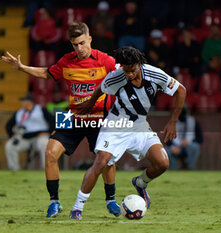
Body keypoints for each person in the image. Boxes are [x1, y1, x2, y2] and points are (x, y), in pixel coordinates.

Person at [1, 22, 121, 218]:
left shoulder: (106, 61)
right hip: (71, 115)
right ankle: (54, 202)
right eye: (75, 44)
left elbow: (124, 77)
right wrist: (22, 68)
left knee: (106, 160)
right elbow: (48, 74)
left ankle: (111, 200)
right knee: (49, 153)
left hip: (100, 116)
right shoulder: (67, 61)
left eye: (82, 43)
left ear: (90, 39)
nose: (79, 48)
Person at [69, 46, 186, 219]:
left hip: (139, 125)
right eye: (125, 70)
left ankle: (140, 183)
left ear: (138, 64)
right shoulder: (116, 77)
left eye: (132, 70)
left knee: (162, 163)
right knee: (101, 162)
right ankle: (77, 208)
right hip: (116, 123)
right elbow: (101, 88)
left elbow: (181, 90)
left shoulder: (154, 74)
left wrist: (173, 121)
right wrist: (90, 104)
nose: (129, 74)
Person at [5, 93, 52, 170]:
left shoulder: (41, 110)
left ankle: (47, 169)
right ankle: (14, 170)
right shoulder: (19, 112)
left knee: (45, 144)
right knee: (10, 145)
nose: (22, 103)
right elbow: (8, 125)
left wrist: (48, 132)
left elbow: (53, 121)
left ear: (30, 102)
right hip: (24, 137)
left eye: (23, 101)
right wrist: (12, 135)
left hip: (39, 137)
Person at [201, 24, 221, 88]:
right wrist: (210, 62)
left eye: (216, 30)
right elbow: (204, 55)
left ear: (219, 31)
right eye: (213, 30)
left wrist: (218, 62)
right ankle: (204, 86)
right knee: (203, 67)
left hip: (220, 63)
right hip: (210, 62)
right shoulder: (207, 41)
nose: (214, 32)